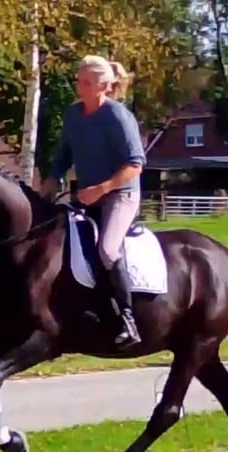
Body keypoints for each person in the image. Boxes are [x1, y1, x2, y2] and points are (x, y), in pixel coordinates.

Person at [42, 55, 145, 347]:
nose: (79, 86)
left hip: (120, 195)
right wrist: (52, 179)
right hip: (87, 196)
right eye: (78, 80)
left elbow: (135, 164)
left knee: (108, 250)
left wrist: (101, 189)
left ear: (102, 86)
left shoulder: (117, 116)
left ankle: (128, 320)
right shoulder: (74, 114)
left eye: (85, 82)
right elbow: (65, 152)